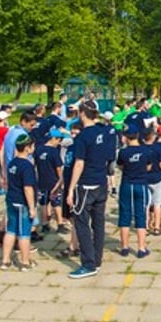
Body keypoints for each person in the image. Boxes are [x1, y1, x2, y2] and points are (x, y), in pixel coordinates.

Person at [66, 99, 116, 279]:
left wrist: (70, 188)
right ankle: (97, 259)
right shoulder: (104, 132)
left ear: (81, 114)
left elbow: (79, 163)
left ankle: (88, 264)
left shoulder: (83, 137)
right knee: (99, 222)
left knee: (81, 223)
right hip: (101, 182)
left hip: (86, 184)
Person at [1, 136, 37, 270]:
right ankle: (25, 262)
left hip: (11, 199)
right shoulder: (26, 165)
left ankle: (5, 260)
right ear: (27, 148)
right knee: (24, 233)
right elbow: (28, 188)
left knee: (10, 231)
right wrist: (32, 207)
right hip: (22, 203)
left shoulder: (13, 163)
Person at [116, 124, 152, 258]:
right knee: (140, 215)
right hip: (141, 184)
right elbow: (148, 167)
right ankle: (141, 248)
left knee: (124, 215)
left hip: (126, 183)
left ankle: (124, 247)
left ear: (126, 137)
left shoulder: (123, 152)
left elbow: (120, 166)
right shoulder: (146, 151)